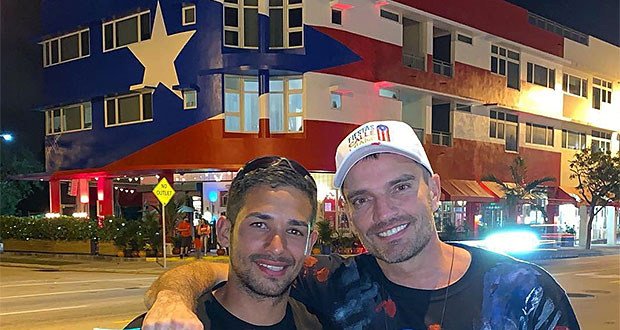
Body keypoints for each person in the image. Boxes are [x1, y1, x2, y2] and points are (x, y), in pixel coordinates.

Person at [143, 121, 580, 330]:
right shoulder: (335, 283)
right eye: (362, 199)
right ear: (348, 214)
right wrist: (170, 298)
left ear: (435, 188)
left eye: (401, 187)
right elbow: (243, 268)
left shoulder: (523, 293)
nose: (384, 212)